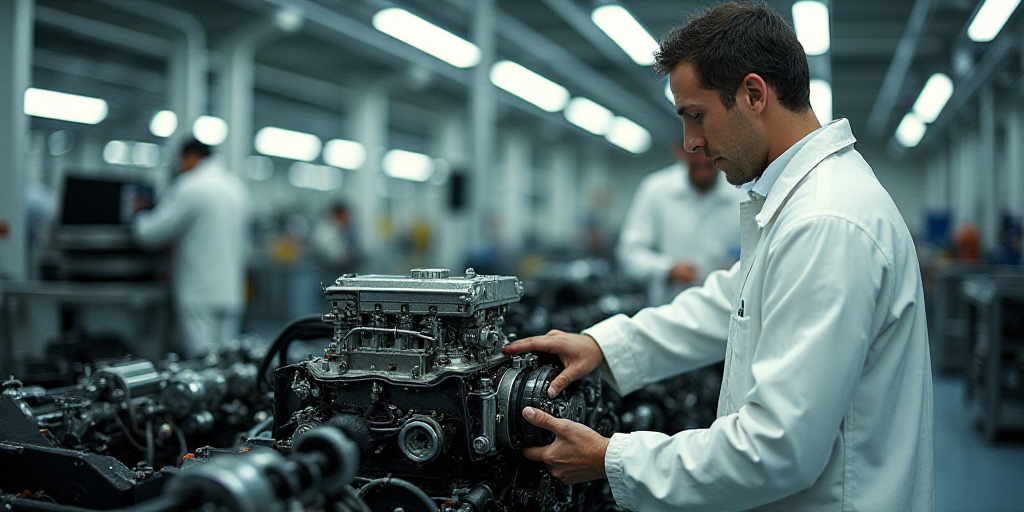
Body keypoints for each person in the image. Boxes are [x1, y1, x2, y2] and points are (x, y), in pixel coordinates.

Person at [503, 3, 933, 511]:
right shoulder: (803, 202)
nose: (692, 142)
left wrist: (613, 459)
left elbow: (777, 450)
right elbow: (734, 300)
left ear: (753, 94)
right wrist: (605, 345)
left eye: (696, 115)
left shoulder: (825, 221)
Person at [133, 139, 252, 359]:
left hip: (200, 292)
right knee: (227, 364)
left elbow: (151, 234)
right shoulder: (236, 187)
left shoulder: (191, 186)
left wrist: (139, 215)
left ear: (190, 156)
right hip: (231, 291)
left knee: (203, 363)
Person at [617, 142, 746, 305]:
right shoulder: (656, 190)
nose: (703, 175)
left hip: (726, 309)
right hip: (669, 307)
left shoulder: (742, 193)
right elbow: (630, 254)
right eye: (695, 166)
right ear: (680, 153)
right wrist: (668, 268)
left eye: (710, 166)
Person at [309, 202, 361, 276]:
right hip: (328, 270)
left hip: (334, 269)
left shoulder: (340, 230)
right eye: (344, 215)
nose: (347, 218)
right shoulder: (327, 231)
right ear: (338, 215)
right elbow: (337, 255)